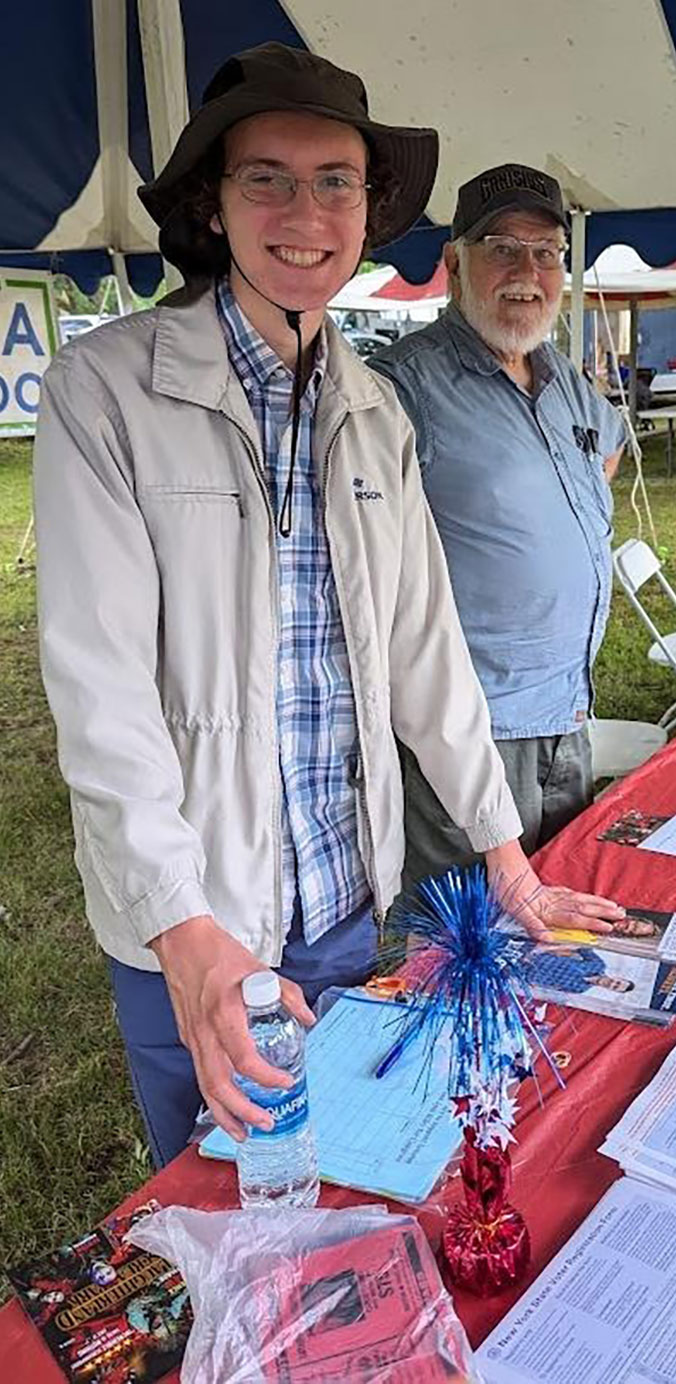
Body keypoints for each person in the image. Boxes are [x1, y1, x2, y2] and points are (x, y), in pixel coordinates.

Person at [33, 56, 624, 1168]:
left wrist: (504, 854)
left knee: (356, 1182)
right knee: (227, 1195)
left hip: (348, 904)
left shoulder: (370, 409)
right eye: (268, 179)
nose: (305, 216)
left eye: (337, 183)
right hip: (196, 920)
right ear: (214, 199)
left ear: (369, 210)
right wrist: (184, 931)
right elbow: (99, 692)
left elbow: (424, 651)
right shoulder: (104, 390)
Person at [370, 163, 627, 885]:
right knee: (462, 949)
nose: (528, 270)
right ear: (454, 263)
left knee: (558, 928)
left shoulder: (564, 379)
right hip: (469, 735)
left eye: (547, 252)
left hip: (568, 716)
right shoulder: (399, 387)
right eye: (503, 247)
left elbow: (603, 452)